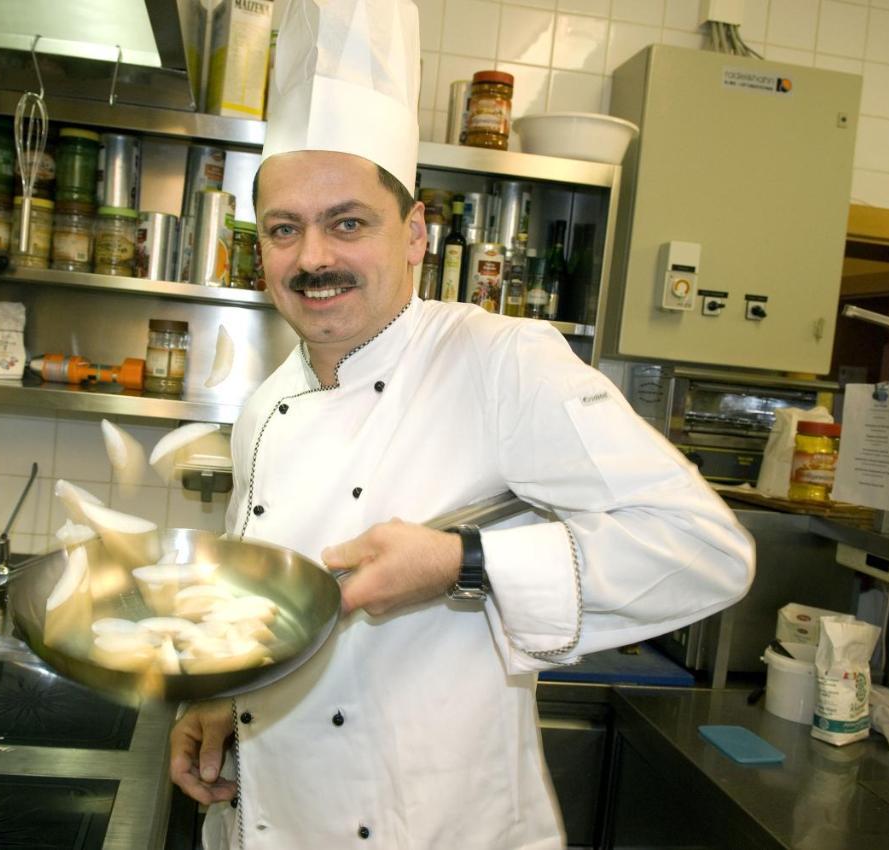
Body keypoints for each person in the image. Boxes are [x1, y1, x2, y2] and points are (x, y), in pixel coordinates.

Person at [169, 2, 755, 847]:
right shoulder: (267, 403)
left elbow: (704, 553)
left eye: (348, 223)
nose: (313, 258)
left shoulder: (501, 360)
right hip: (272, 816)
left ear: (413, 234)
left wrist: (462, 562)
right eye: (283, 230)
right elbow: (281, 608)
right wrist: (227, 695)